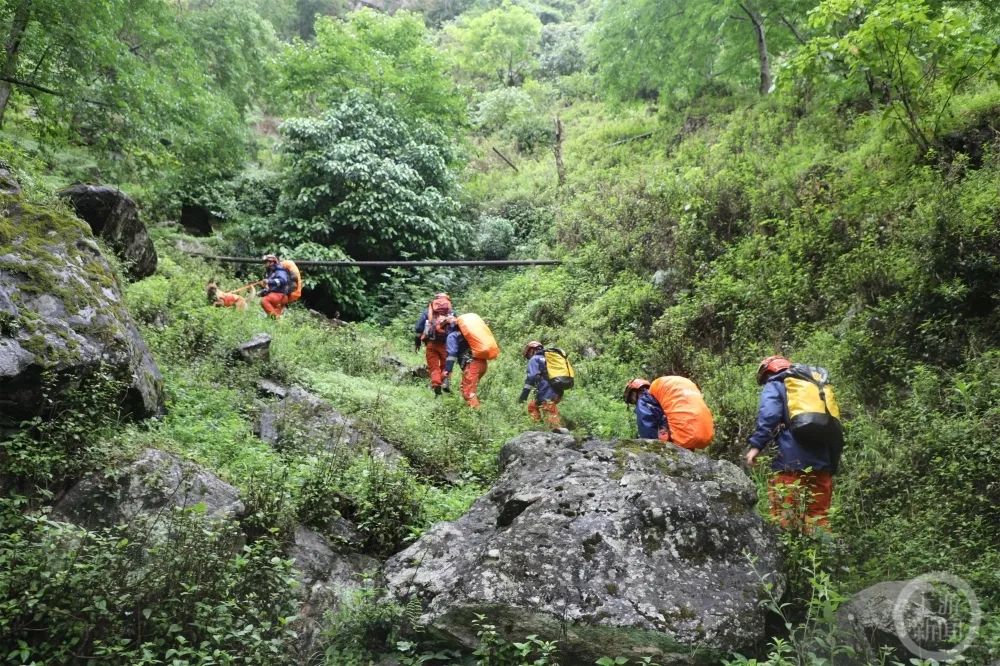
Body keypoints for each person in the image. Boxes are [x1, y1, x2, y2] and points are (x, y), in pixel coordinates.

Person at [745, 355, 837, 530]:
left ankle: (787, 555)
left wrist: (756, 446)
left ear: (766, 373)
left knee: (785, 514)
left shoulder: (776, 384)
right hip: (822, 461)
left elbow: (770, 415)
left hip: (790, 462)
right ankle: (822, 555)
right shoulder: (816, 386)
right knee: (819, 516)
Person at [623, 376, 714, 449]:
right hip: (698, 436)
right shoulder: (661, 396)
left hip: (679, 440)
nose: (635, 403)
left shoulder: (644, 399)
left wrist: (649, 447)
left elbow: (646, 426)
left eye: (632, 400)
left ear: (635, 391)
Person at [414, 293, 454, 396]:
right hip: (446, 344)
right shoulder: (451, 312)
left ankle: (436, 384)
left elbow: (419, 329)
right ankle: (445, 382)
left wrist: (417, 343)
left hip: (431, 343)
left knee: (434, 367)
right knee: (446, 365)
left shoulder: (428, 311)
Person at [518, 341, 564, 429]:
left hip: (547, 390)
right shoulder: (550, 359)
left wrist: (524, 396)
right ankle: (536, 427)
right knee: (532, 406)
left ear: (532, 350)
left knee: (549, 408)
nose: (529, 356)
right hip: (558, 390)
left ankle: (558, 430)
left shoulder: (534, 359)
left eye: (528, 354)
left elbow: (531, 377)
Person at [443, 318, 488, 408]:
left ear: (449, 326)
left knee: (468, 392)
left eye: (445, 327)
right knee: (465, 388)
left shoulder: (453, 336)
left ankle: (477, 415)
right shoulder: (466, 334)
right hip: (482, 363)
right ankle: (471, 411)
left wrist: (447, 370)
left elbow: (451, 354)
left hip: (472, 365)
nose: (444, 330)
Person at [259, 254, 291, 318]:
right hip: (278, 295)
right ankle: (278, 322)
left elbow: (283, 281)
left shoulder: (280, 270)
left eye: (266, 262)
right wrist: (263, 291)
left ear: (272, 262)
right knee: (273, 315)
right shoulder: (272, 272)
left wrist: (269, 281)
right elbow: (272, 287)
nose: (265, 264)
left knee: (264, 300)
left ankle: (277, 319)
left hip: (280, 295)